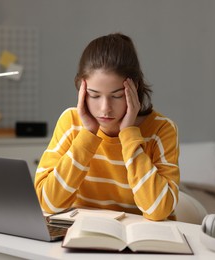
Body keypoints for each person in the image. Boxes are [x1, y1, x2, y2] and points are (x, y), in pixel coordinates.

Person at [34, 33, 180, 221]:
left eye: (117, 96)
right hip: (84, 237)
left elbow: (159, 210)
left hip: (140, 241)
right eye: (94, 96)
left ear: (134, 88)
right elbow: (47, 202)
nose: (105, 109)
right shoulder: (70, 122)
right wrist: (87, 135)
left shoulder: (162, 130)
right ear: (82, 90)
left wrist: (128, 135)